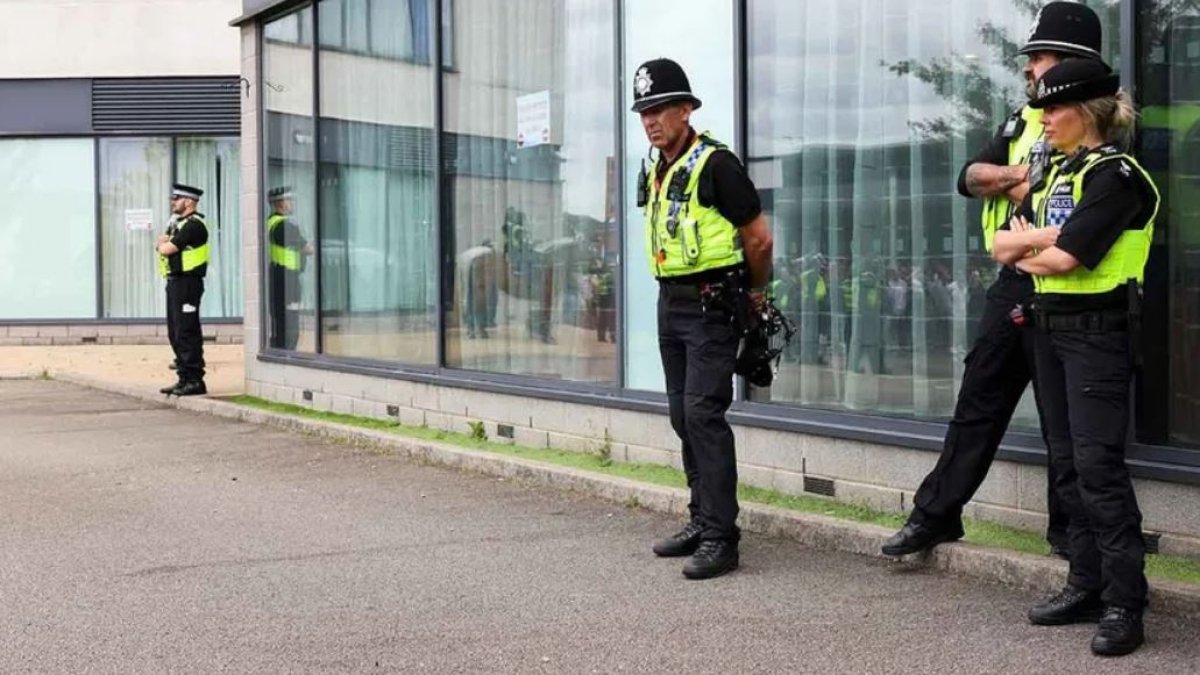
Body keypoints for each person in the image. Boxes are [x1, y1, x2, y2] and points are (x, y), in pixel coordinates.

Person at [882, 1, 1104, 558]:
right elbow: (970, 176)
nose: (1029, 69)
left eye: (1041, 58)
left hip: (1066, 288)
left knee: (1064, 424)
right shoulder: (1022, 121)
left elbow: (1072, 209)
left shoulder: (1102, 128)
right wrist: (1014, 176)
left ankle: (1070, 538)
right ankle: (935, 515)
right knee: (977, 401)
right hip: (1011, 284)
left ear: (1073, 64)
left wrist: (1019, 185)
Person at [1004, 58, 1156, 657]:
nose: (1041, 119)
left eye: (1053, 109)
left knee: (1099, 470)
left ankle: (1125, 603)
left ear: (1086, 112)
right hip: (1049, 331)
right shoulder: (1056, 175)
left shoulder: (1116, 176)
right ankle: (1086, 584)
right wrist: (1035, 245)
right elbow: (999, 242)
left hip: (1097, 335)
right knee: (1065, 464)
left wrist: (1030, 247)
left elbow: (1069, 259)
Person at [632, 58, 773, 579]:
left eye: (661, 108)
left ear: (686, 109)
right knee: (680, 414)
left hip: (714, 302)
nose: (651, 120)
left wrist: (756, 296)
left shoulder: (717, 165)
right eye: (644, 110)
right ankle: (701, 518)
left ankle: (722, 538)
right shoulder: (653, 166)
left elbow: (759, 237)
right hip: (671, 301)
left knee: (704, 416)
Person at [156, 183, 210, 397]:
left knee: (187, 331)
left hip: (189, 283)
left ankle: (195, 380)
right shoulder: (179, 224)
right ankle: (183, 378)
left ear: (189, 202)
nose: (172, 202)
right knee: (175, 331)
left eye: (176, 199)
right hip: (176, 282)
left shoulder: (194, 225)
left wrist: (161, 244)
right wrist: (162, 243)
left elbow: (167, 248)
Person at [266, 187, 313, 351]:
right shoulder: (284, 226)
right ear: (280, 203)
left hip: (277, 274)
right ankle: (287, 352)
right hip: (288, 278)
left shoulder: (270, 222)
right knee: (290, 319)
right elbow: (308, 249)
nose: (292, 204)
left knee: (279, 318)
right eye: (289, 200)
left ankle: (279, 349)